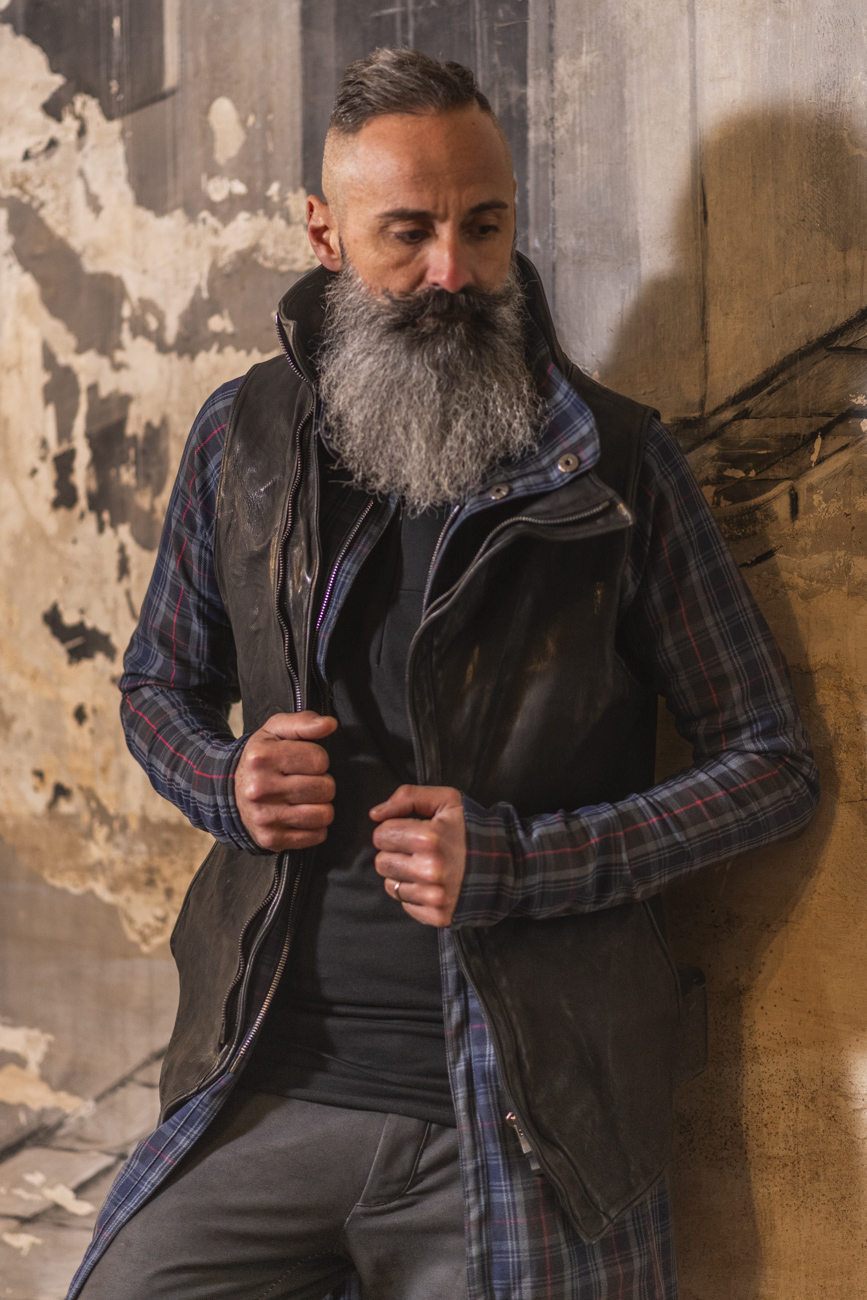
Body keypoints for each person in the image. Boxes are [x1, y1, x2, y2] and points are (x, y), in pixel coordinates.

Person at [68, 47, 818, 1300]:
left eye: (485, 224)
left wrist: (525, 860)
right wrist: (225, 780)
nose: (454, 273)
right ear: (323, 234)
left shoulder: (618, 467)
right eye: (407, 232)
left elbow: (773, 766)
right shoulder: (241, 439)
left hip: (524, 1114)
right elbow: (157, 688)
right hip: (268, 1077)